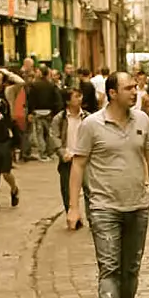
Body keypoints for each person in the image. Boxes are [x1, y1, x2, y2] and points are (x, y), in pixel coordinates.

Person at [66, 71, 149, 298]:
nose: (134, 92)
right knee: (110, 267)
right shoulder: (92, 125)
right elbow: (78, 165)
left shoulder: (142, 120)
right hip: (103, 207)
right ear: (112, 93)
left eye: (135, 87)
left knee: (131, 269)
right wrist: (74, 207)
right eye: (128, 88)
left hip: (137, 206)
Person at [0, 68, 24, 212]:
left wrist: (6, 73)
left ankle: (14, 189)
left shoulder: (9, 93)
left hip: (5, 137)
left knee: (5, 172)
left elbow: (21, 82)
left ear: (3, 82)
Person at [50, 87, 90, 216]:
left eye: (80, 96)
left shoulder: (88, 117)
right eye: (76, 96)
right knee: (68, 191)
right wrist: (62, 152)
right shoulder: (60, 118)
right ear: (68, 101)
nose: (80, 99)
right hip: (68, 159)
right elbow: (53, 136)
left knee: (89, 189)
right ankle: (72, 216)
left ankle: (92, 217)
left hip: (85, 159)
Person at [27, 66, 63, 162]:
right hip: (49, 112)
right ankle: (50, 152)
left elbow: (31, 99)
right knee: (49, 133)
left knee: (40, 134)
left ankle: (43, 154)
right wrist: (56, 110)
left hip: (37, 111)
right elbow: (56, 98)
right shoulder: (51, 85)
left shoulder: (34, 85)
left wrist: (30, 111)